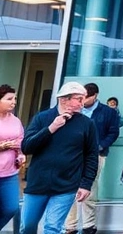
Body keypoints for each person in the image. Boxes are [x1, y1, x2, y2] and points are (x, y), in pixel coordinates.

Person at [20, 81, 99, 234]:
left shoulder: (87, 124)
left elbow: (91, 155)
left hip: (66, 185)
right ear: (63, 99)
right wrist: (51, 128)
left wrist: (86, 183)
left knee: (53, 228)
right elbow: (27, 147)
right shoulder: (42, 118)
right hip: (38, 183)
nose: (83, 103)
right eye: (78, 99)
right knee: (27, 226)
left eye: (84, 98)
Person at [65, 82, 121, 234]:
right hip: (74, 153)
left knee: (90, 186)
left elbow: (113, 132)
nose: (83, 100)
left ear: (95, 96)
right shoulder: (75, 109)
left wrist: (101, 146)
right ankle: (71, 225)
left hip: (96, 154)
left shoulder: (108, 112)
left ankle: (89, 225)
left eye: (86, 97)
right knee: (71, 186)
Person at [0, 84, 25, 231]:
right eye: (9, 99)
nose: (13, 102)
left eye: (15, 98)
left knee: (11, 208)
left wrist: (21, 155)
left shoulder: (16, 121)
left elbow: (21, 142)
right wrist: (2, 147)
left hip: (9, 173)